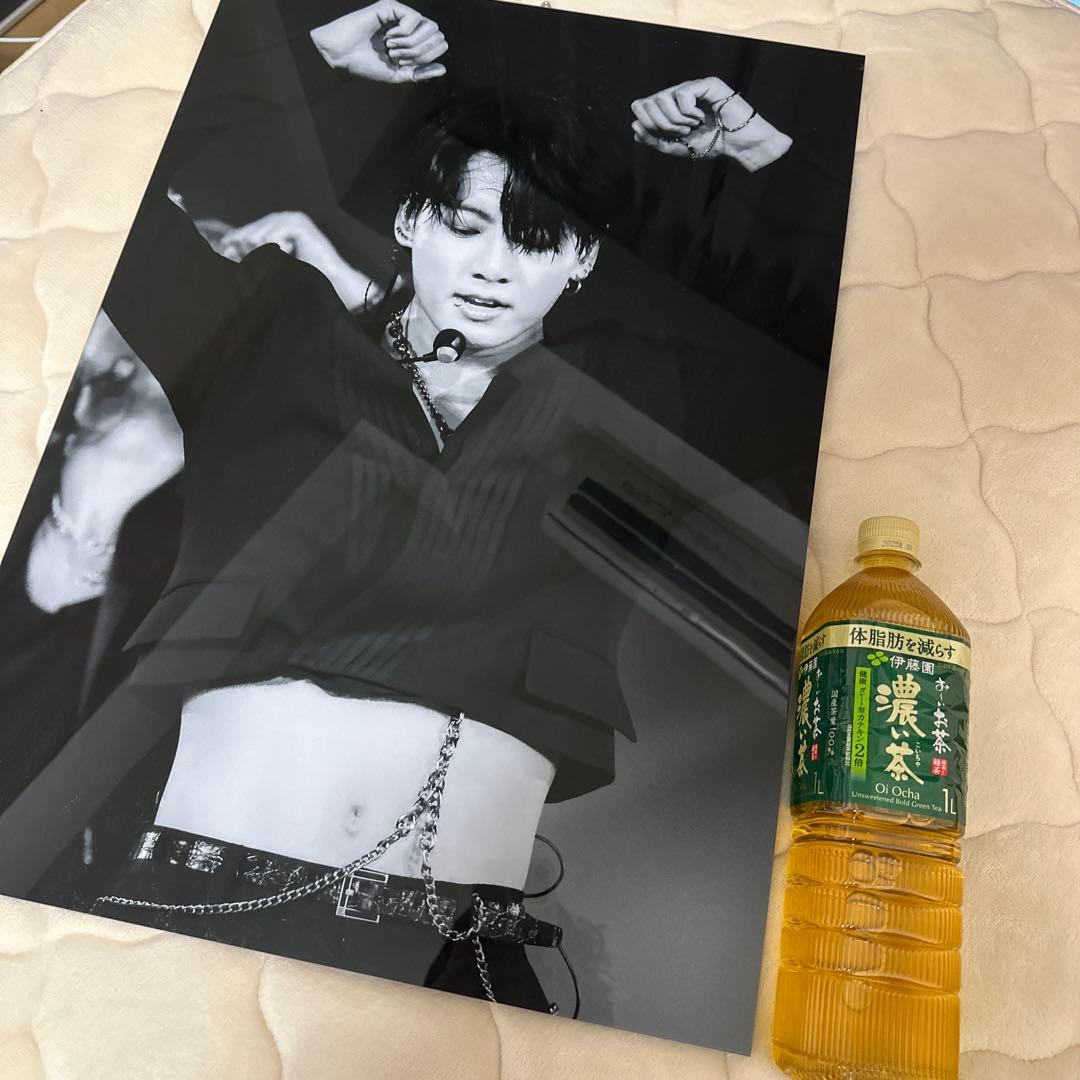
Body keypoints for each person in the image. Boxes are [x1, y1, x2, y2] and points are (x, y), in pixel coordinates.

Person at [68, 0, 805, 1012]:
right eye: (467, 226)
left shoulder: (645, 398)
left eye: (540, 241)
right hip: (197, 900)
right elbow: (88, 177)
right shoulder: (271, 337)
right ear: (414, 220)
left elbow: (864, 353)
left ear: (585, 260)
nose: (495, 268)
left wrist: (766, 158)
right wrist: (310, 56)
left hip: (459, 954)